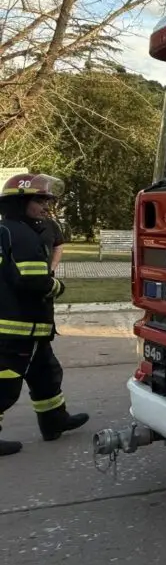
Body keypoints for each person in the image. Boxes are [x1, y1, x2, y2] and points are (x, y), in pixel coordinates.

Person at [0, 173, 89, 456]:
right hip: (17, 329)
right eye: (40, 200)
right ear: (21, 202)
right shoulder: (22, 234)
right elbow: (33, 281)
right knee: (5, 385)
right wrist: (57, 287)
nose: (45, 207)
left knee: (46, 375)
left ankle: (54, 421)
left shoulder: (8, 229)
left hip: (31, 328)